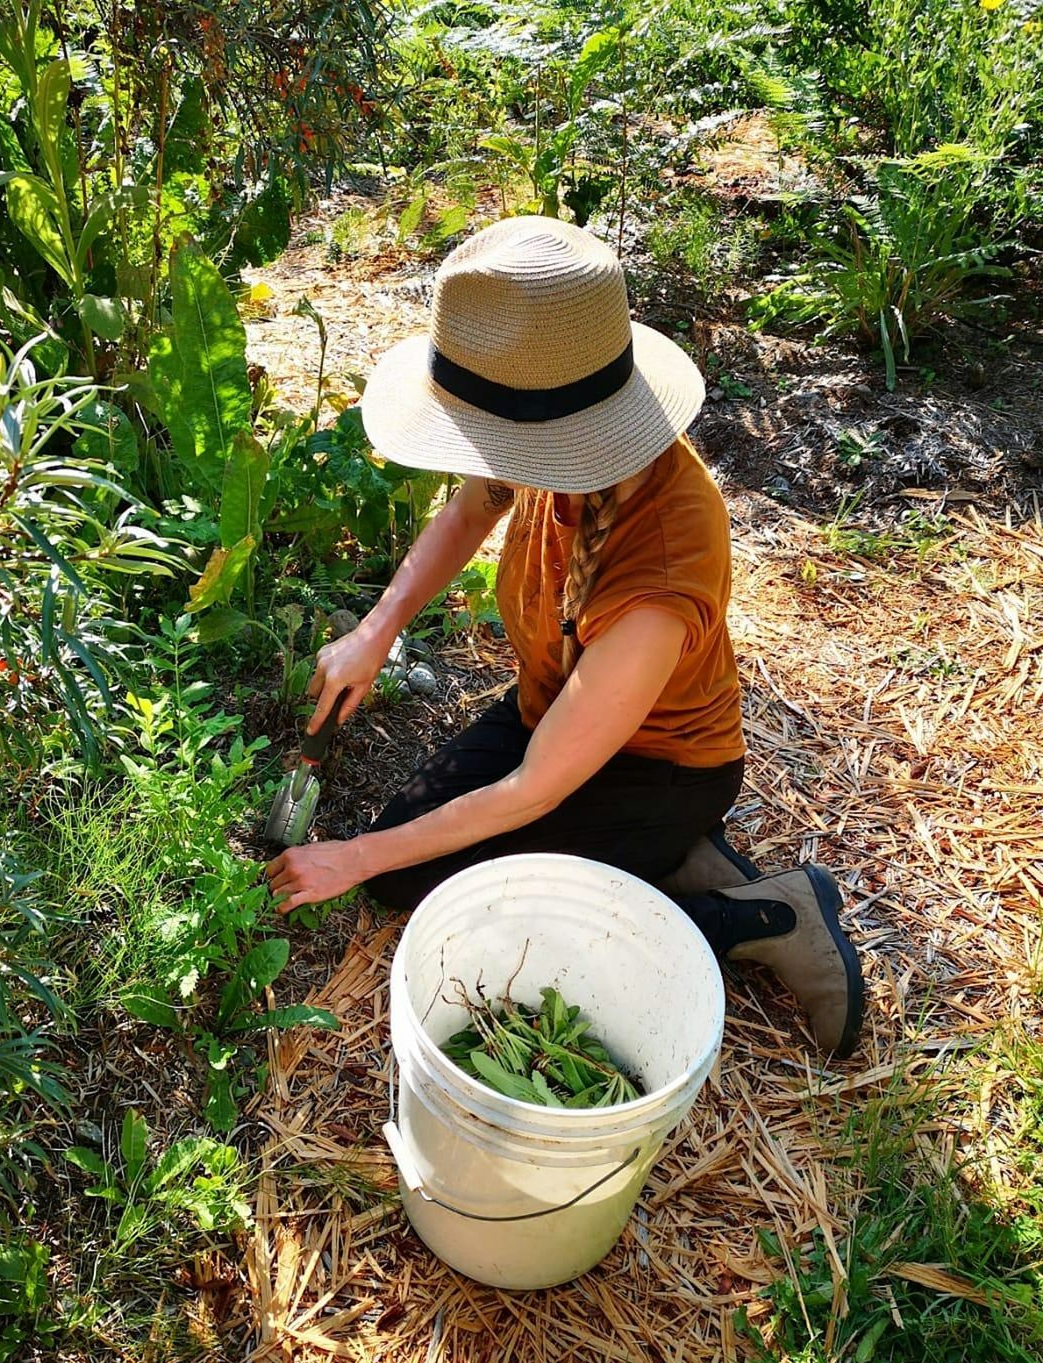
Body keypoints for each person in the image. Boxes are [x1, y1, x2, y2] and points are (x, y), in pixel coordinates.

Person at [267, 217, 864, 1058]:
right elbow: (478, 504)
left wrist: (351, 856)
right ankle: (657, 857)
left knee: (494, 913)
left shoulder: (657, 574)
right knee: (407, 874)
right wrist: (377, 628)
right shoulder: (562, 441)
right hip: (557, 712)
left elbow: (531, 789)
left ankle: (763, 914)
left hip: (661, 766)